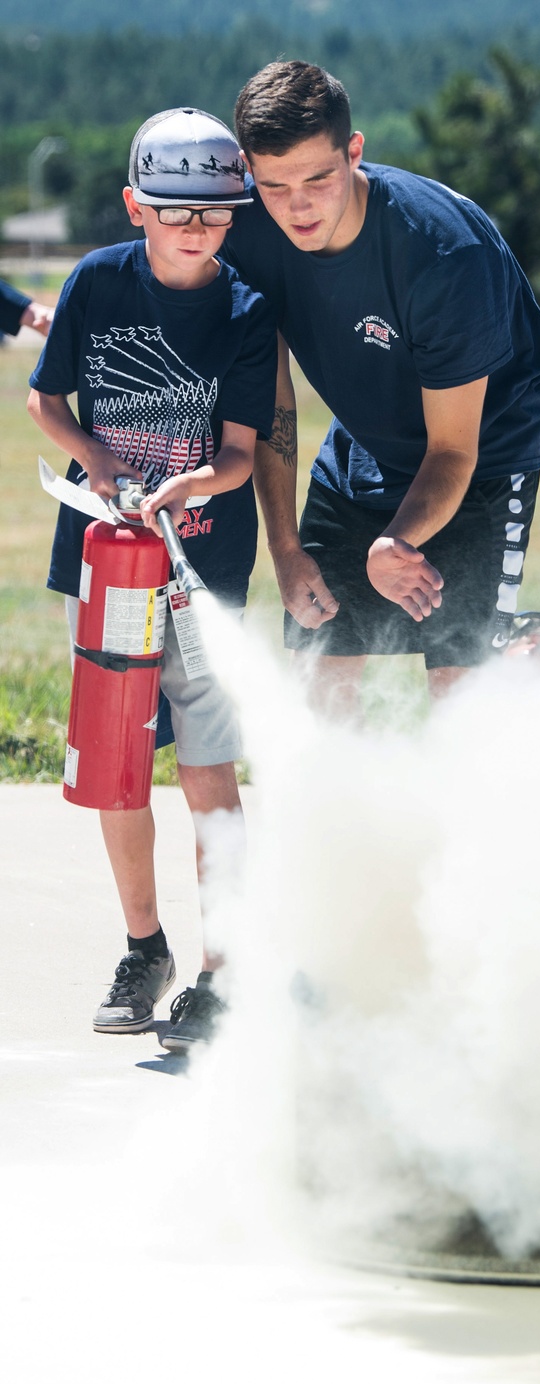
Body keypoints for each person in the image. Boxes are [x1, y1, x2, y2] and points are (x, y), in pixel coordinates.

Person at [27, 108, 277, 1051]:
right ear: (137, 205)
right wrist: (101, 465)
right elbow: (45, 402)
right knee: (119, 761)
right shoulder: (95, 283)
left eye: (213, 213)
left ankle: (223, 972)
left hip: (202, 571)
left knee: (207, 766)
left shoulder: (249, 312)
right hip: (104, 561)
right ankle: (145, 950)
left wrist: (186, 485)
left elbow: (244, 455)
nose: (193, 226)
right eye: (173, 209)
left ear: (233, 216)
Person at [226, 60, 540, 713]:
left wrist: (397, 540)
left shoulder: (442, 255)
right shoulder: (250, 231)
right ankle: (338, 816)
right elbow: (272, 399)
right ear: (248, 169)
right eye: (274, 185)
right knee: (319, 671)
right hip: (362, 445)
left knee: (459, 689)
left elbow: (454, 450)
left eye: (320, 178)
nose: (298, 206)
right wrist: (286, 550)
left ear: (355, 151)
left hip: (486, 457)